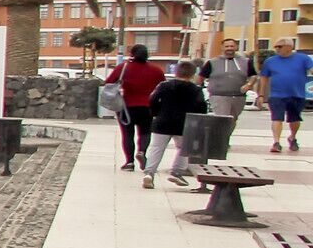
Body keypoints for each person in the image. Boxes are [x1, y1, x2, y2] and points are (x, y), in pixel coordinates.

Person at [141, 58, 208, 189]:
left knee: (156, 148)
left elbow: (153, 100)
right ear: (193, 74)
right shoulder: (195, 90)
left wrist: (155, 113)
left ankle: (149, 173)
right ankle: (177, 172)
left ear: (176, 72)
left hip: (162, 121)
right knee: (183, 149)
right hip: (184, 124)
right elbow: (201, 106)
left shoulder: (164, 85)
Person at [109, 42, 164, 170]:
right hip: (148, 107)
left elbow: (109, 82)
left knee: (127, 134)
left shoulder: (123, 67)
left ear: (132, 54)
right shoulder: (156, 70)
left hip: (126, 106)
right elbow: (162, 87)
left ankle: (129, 162)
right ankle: (142, 152)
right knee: (145, 133)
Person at [204, 47, 255, 151]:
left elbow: (253, 75)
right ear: (223, 47)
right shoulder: (212, 62)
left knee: (232, 120)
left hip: (238, 96)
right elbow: (201, 76)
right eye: (226, 46)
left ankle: (225, 138)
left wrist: (249, 85)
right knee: (222, 119)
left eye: (232, 46)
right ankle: (220, 141)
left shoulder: (245, 62)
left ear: (235, 48)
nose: (229, 48)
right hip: (218, 95)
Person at [264, 38, 308, 156]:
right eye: (276, 47)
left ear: (289, 47)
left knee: (294, 119)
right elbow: (264, 77)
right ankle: (276, 142)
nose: (277, 49)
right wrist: (262, 95)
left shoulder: (302, 58)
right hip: (276, 95)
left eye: (280, 46)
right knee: (276, 118)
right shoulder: (270, 61)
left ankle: (292, 137)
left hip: (297, 94)